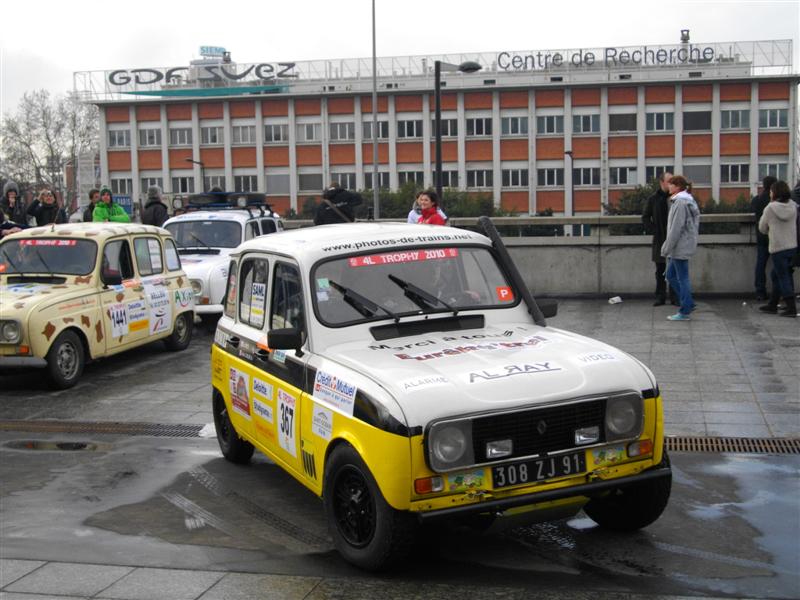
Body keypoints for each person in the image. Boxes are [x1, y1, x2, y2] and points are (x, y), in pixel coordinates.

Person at [661, 175, 699, 321]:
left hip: (679, 246)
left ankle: (685, 310)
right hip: (682, 245)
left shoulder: (680, 203)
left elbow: (676, 228)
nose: (668, 187)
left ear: (677, 187)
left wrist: (666, 248)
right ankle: (688, 302)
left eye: (671, 184)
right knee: (671, 275)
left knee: (682, 278)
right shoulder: (687, 200)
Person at [757, 180, 798, 318]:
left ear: (774, 193)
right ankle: (773, 304)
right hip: (792, 246)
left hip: (778, 247)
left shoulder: (770, 208)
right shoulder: (793, 206)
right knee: (777, 275)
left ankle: (791, 307)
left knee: (782, 276)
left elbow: (762, 228)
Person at [642, 171, 677, 306]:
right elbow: (645, 216)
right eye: (669, 181)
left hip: (673, 238)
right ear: (662, 182)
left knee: (674, 269)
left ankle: (675, 297)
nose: (671, 184)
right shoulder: (654, 199)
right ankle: (660, 296)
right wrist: (653, 230)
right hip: (660, 238)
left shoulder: (676, 198)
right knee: (660, 269)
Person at [751, 175, 777, 301]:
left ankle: (760, 291)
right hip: (776, 237)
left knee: (761, 264)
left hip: (762, 236)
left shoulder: (757, 199)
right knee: (779, 266)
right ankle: (779, 292)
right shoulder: (777, 201)